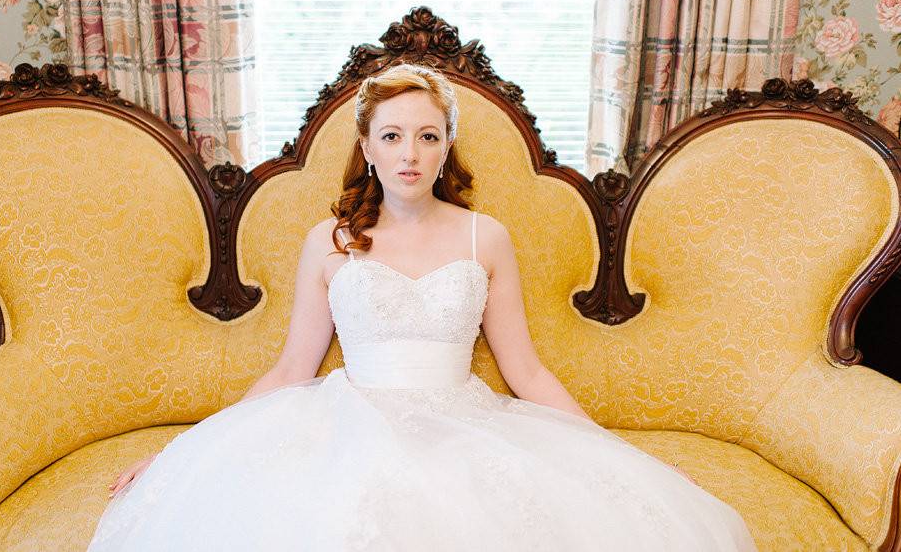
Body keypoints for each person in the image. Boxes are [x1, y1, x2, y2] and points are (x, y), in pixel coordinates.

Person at [86, 64, 758, 551]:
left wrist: (616, 454)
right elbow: (292, 368)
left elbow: (527, 371)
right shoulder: (329, 239)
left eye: (428, 137)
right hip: (350, 421)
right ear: (368, 147)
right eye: (393, 136)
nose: (410, 153)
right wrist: (184, 450)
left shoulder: (484, 236)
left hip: (460, 422)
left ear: (446, 147)